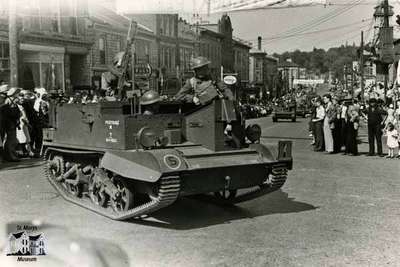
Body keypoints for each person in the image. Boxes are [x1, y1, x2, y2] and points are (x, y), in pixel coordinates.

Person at [2, 87, 21, 161]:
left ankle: (11, 154)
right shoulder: (8, 100)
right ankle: (10, 156)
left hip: (12, 121)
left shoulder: (11, 100)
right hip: (10, 122)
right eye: (16, 92)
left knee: (12, 139)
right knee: (11, 139)